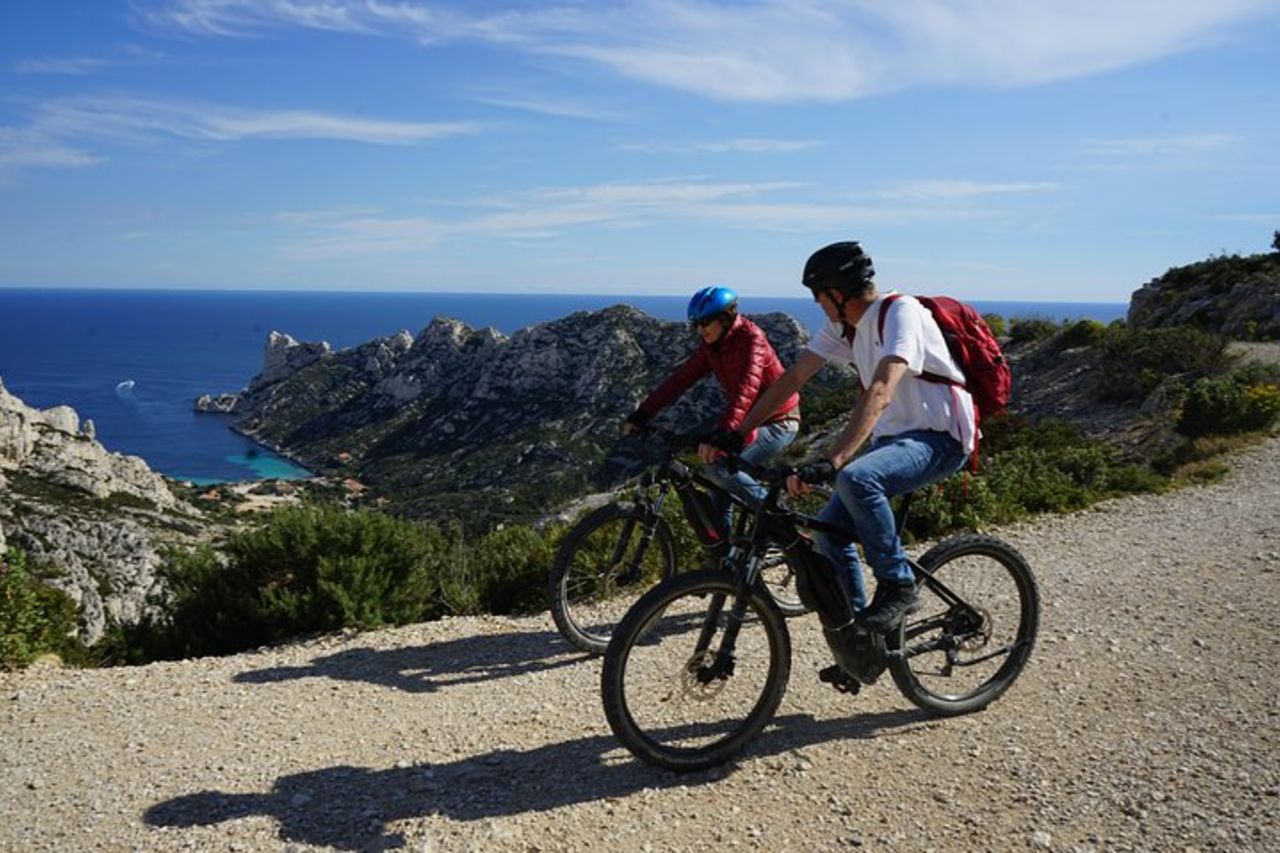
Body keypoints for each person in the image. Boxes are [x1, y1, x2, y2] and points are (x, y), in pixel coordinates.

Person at [720, 241, 976, 633]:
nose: (818, 305)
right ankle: (859, 632)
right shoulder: (846, 327)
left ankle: (899, 586)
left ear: (835, 294)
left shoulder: (901, 312)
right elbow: (793, 377)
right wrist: (739, 433)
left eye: (818, 296)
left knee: (858, 478)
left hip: (941, 437)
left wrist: (834, 459)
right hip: (895, 442)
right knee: (828, 534)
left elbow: (881, 388)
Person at [623, 285, 801, 536]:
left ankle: (780, 522)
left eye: (705, 322)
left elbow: (747, 388)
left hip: (778, 420)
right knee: (719, 490)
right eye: (695, 323)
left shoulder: (752, 339)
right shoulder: (712, 346)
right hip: (746, 421)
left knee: (717, 466)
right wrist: (643, 413)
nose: (699, 329)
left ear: (726, 318)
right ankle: (725, 561)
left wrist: (726, 433)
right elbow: (680, 380)